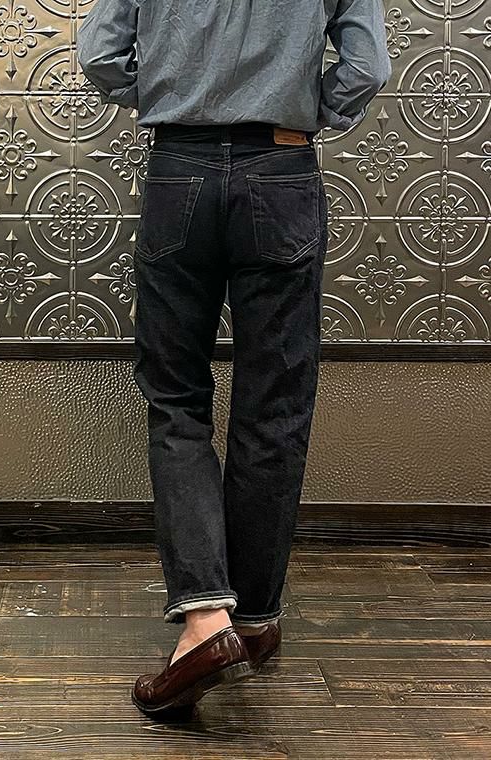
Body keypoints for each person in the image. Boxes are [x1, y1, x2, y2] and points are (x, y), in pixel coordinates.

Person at [78, 0, 391, 717]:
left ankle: (205, 619)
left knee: (176, 400)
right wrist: (301, 108)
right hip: (282, 167)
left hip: (178, 169)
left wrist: (173, 91)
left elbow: (99, 55)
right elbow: (368, 66)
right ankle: (251, 619)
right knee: (274, 405)